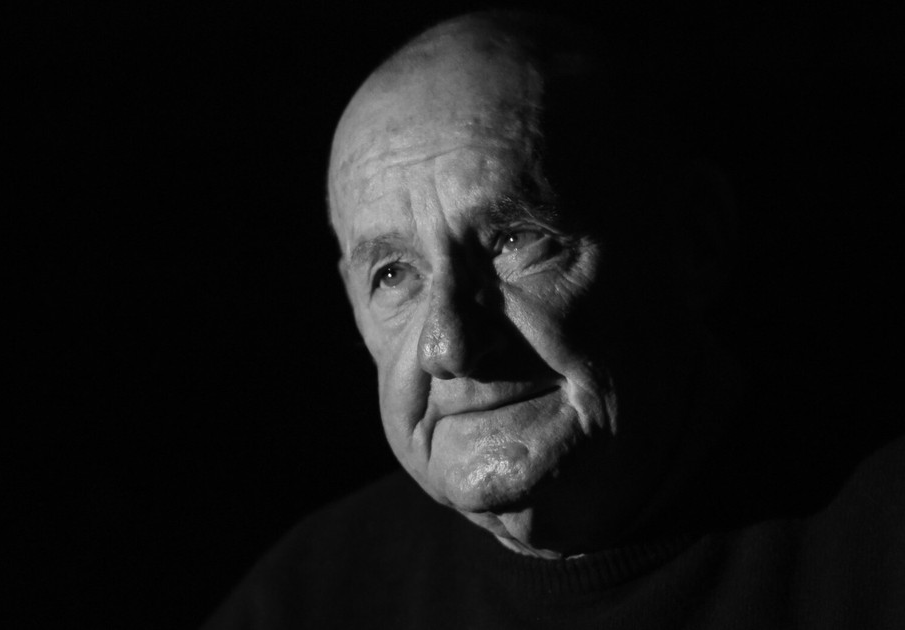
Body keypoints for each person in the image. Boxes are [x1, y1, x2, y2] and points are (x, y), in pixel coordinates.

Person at [204, 10, 904, 629]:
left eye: (514, 240)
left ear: (695, 241)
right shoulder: (311, 596)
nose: (449, 345)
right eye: (393, 275)